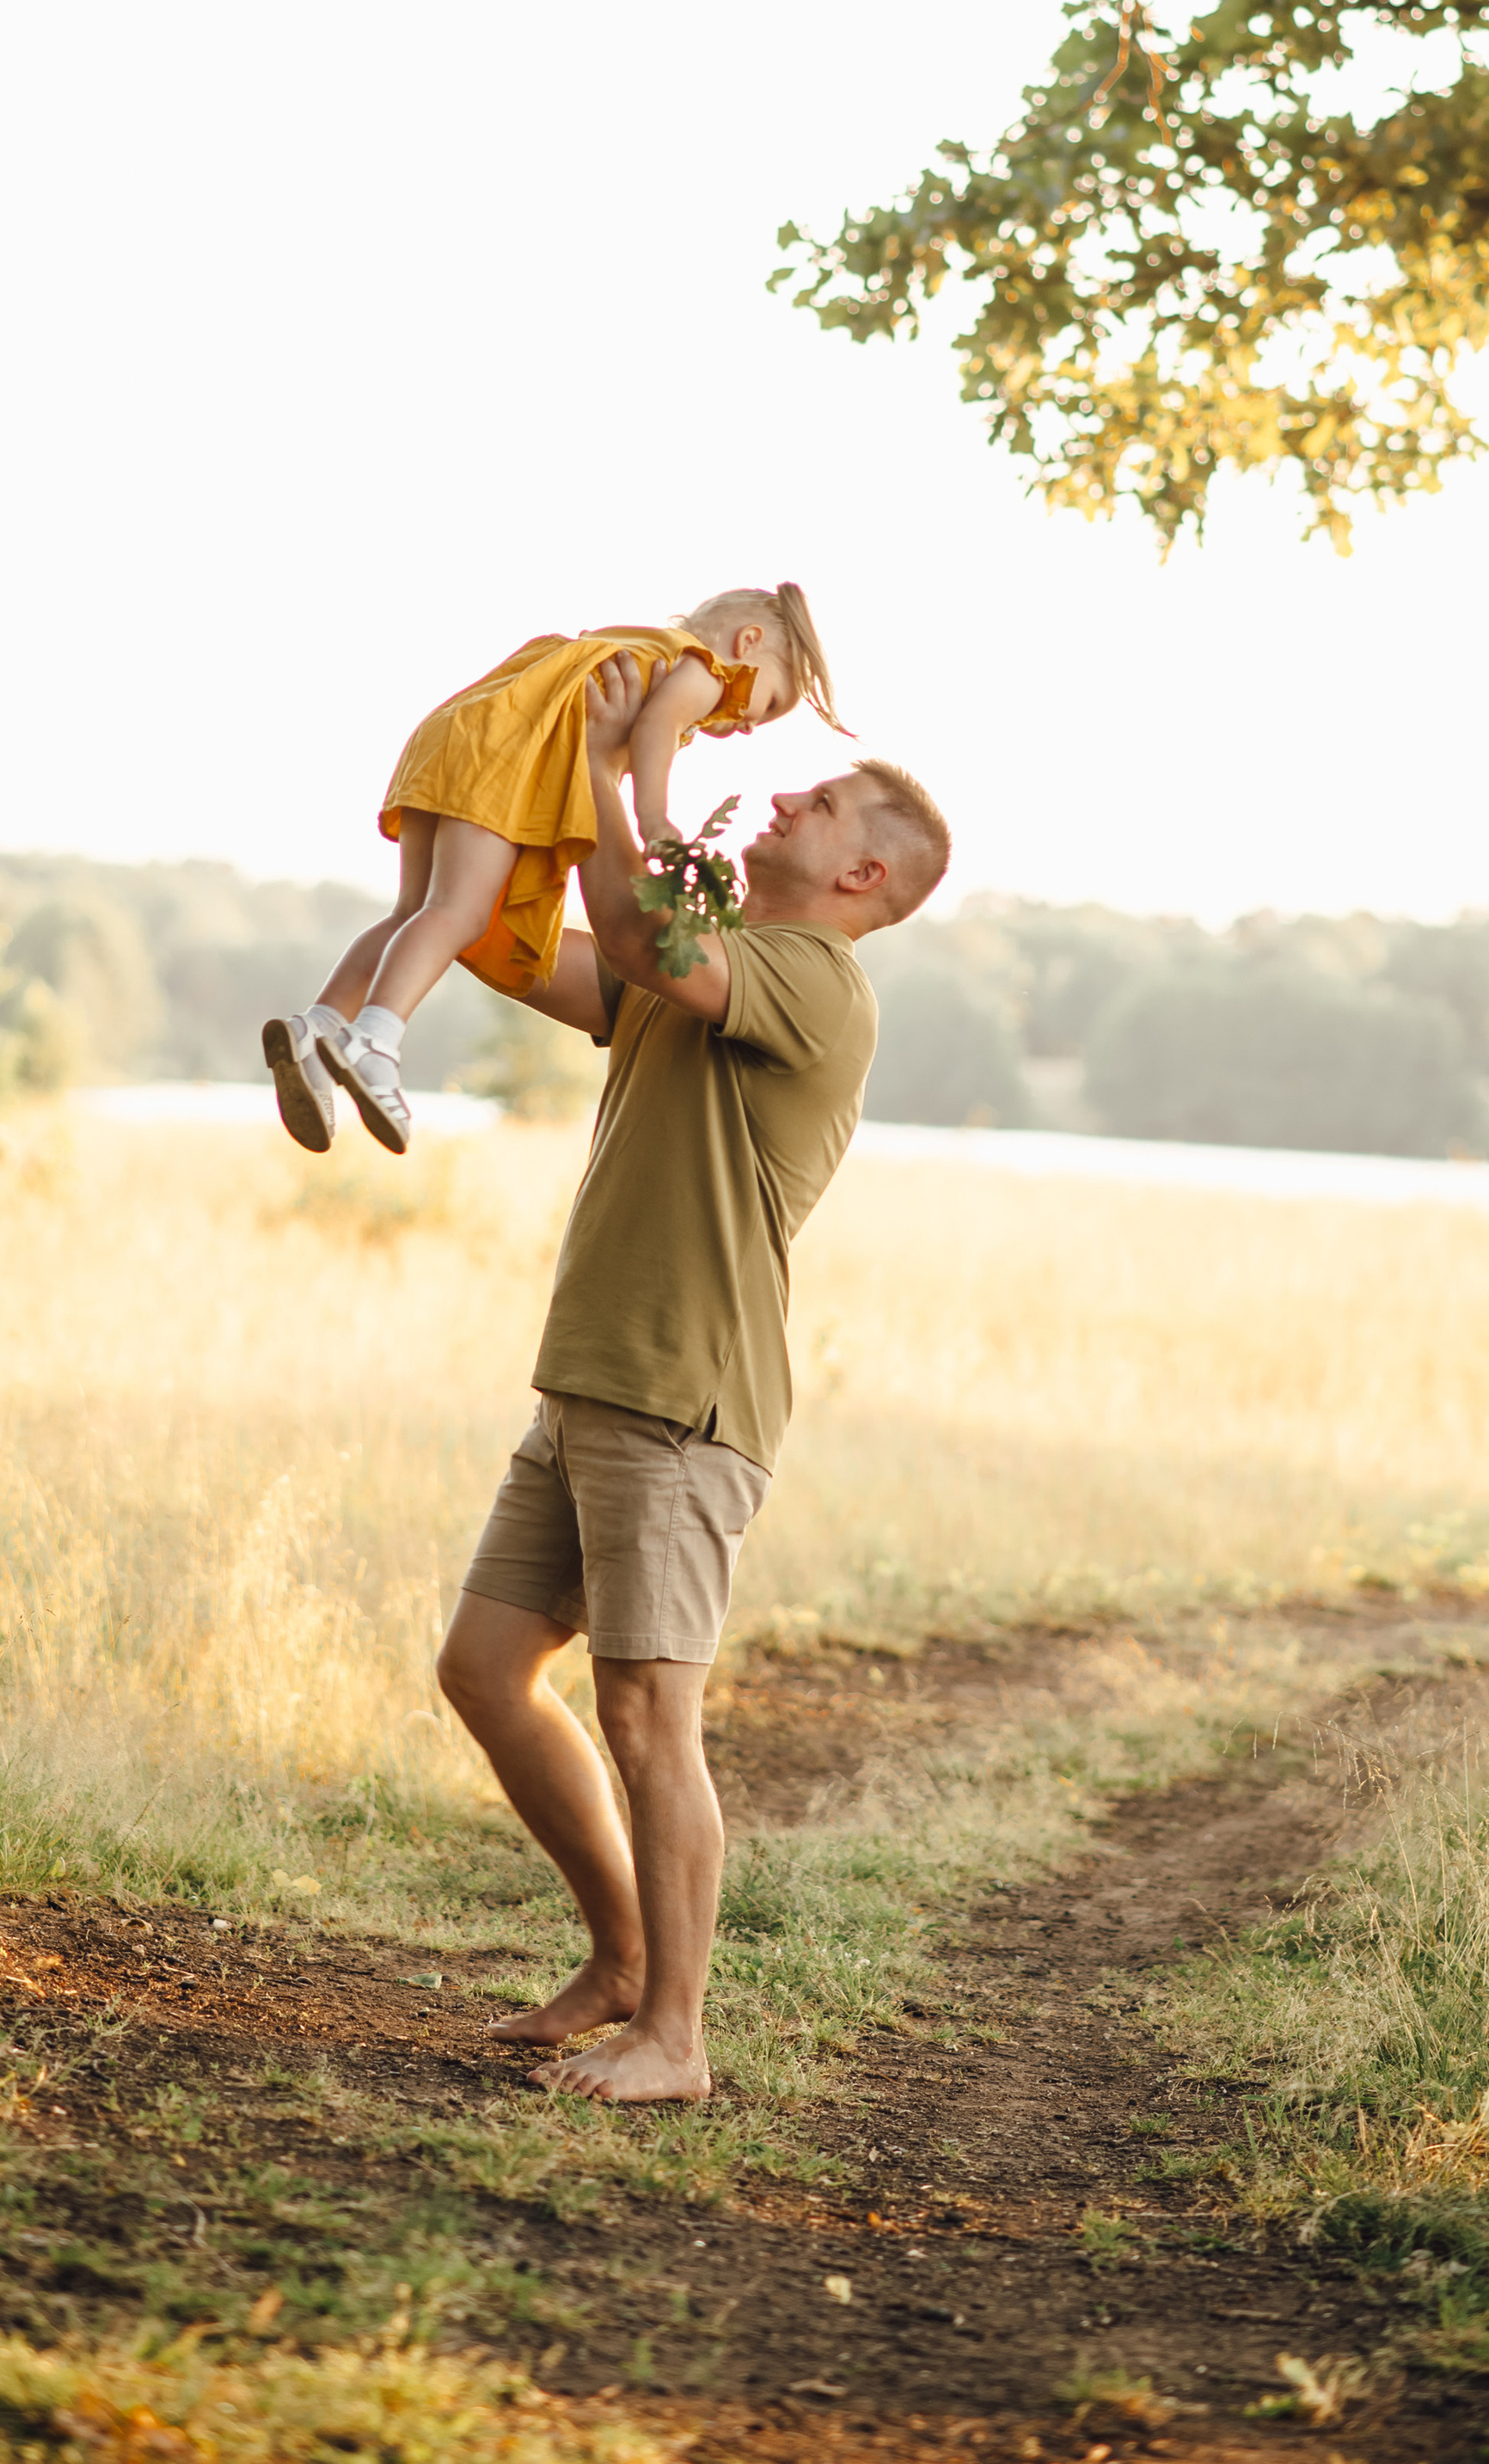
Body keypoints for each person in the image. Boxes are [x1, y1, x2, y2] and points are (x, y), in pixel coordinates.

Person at [433, 649, 950, 2105]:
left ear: (860, 873)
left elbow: (650, 932)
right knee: (484, 1666)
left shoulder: (813, 982)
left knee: (651, 1713)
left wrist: (632, 758)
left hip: (683, 1398)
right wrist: (487, 826)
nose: (782, 795)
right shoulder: (704, 961)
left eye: (819, 798)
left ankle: (676, 2033)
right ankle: (617, 1962)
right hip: (596, 1381)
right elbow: (521, 952)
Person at [262, 586, 846, 1158]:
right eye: (770, 703)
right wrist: (653, 817)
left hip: (458, 733)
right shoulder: (704, 669)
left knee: (415, 912)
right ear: (748, 643)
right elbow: (658, 727)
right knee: (458, 914)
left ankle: (317, 1029)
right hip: (504, 753)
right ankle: (375, 1038)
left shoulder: (638, 647)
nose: (751, 723)